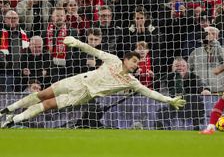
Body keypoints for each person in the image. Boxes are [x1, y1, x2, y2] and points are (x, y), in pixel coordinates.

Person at [0, 36, 186, 128]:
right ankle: (8, 109)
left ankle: (12, 121)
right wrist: (77, 43)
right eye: (135, 61)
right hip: (79, 80)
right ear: (126, 59)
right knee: (42, 94)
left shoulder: (131, 81)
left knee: (48, 104)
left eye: (139, 63)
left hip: (84, 94)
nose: (137, 65)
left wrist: (168, 100)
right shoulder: (113, 59)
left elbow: (149, 92)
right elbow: (93, 51)